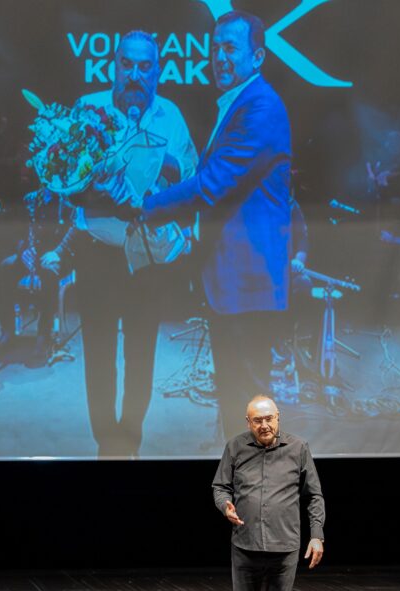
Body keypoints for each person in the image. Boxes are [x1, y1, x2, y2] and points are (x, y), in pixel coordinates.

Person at [41, 30, 197, 457]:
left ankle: (130, 436)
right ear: (114, 66)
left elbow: (189, 179)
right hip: (96, 255)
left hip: (146, 256)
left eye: (145, 66)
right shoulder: (88, 109)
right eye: (127, 64)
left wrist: (161, 161)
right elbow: (66, 186)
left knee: (142, 354)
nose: (134, 74)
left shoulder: (171, 116)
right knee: (99, 355)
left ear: (158, 72)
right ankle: (106, 443)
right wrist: (101, 194)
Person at [137, 11, 293, 440]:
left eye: (230, 48)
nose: (218, 56)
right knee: (236, 405)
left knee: (249, 409)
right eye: (215, 46)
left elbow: (213, 185)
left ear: (257, 55)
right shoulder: (240, 103)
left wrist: (146, 205)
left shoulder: (259, 105)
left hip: (248, 282)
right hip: (234, 284)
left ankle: (257, 502)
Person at [212, 395, 325, 591]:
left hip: (284, 547)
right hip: (245, 546)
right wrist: (224, 505)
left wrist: (316, 535)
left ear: (277, 418)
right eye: (257, 420)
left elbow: (314, 495)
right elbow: (220, 486)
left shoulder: (298, 448)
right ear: (248, 422)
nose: (264, 425)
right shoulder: (235, 447)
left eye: (269, 419)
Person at [0, 186, 68, 363]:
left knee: (48, 274)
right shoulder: (30, 199)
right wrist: (23, 250)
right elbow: (17, 232)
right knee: (6, 267)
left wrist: (55, 253)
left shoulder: (67, 200)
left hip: (55, 254)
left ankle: (43, 335)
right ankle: (8, 332)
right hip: (31, 253)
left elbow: (69, 234)